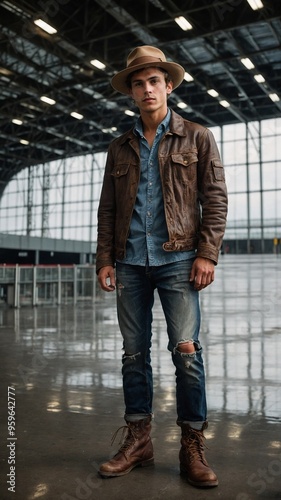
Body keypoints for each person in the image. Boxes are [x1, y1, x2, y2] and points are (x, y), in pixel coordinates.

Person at [96, 45, 228, 488]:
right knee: (134, 357)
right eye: (139, 83)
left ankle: (192, 444)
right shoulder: (119, 147)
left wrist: (207, 253)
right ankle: (139, 441)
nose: (147, 89)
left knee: (186, 354)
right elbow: (108, 211)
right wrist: (105, 260)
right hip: (130, 263)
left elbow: (215, 198)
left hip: (178, 260)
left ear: (168, 86)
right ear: (131, 92)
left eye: (155, 81)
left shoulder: (197, 137)